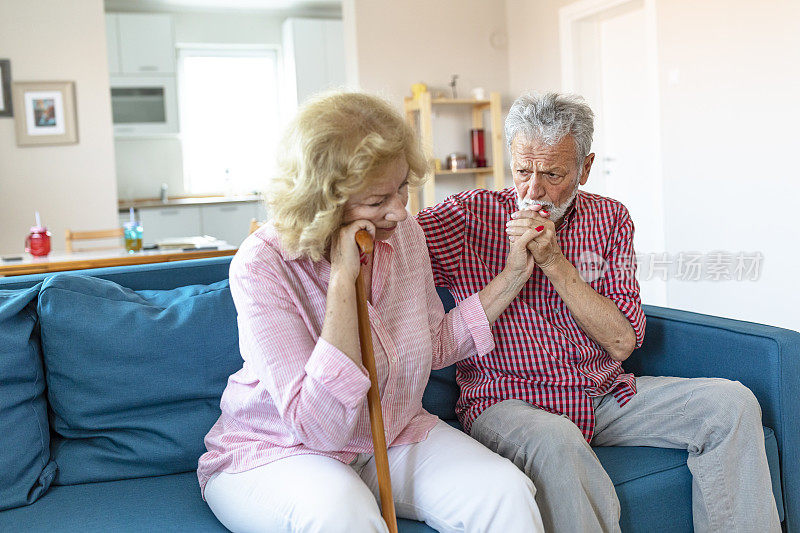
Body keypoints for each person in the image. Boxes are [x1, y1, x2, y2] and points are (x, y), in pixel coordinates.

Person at [416, 92, 780, 532]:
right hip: (506, 401)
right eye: (523, 171)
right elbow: (391, 246)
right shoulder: (469, 216)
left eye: (553, 174)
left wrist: (554, 262)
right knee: (556, 439)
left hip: (604, 396)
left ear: (585, 168)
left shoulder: (609, 218)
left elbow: (623, 340)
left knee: (731, 403)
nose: (533, 191)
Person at [196, 92, 545, 533]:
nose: (400, 211)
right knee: (341, 514)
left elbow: (432, 343)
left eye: (402, 188)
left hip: (391, 433)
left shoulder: (403, 235)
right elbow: (318, 426)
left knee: (503, 492)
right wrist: (344, 281)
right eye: (378, 200)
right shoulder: (262, 264)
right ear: (321, 201)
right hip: (280, 450)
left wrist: (514, 275)